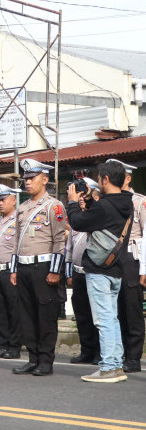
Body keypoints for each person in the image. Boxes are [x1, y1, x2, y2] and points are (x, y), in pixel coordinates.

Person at [67, 160, 133, 383]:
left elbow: (77, 222)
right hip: (115, 268)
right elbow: (101, 217)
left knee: (103, 319)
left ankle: (107, 367)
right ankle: (115, 364)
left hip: (98, 268)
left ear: (105, 179)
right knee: (111, 318)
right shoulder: (126, 203)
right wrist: (88, 201)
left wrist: (73, 203)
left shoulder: (105, 206)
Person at [12, 159, 66, 377]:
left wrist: (55, 271)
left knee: (45, 315)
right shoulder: (23, 208)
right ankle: (33, 358)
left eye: (32, 178)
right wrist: (14, 269)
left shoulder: (54, 206)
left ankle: (46, 360)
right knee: (27, 315)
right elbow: (16, 240)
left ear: (44, 179)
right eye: (25, 179)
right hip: (24, 267)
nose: (27, 182)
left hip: (44, 267)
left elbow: (59, 240)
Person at [107, 159, 145, 374]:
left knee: (132, 309)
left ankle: (133, 357)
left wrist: (144, 269)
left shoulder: (139, 202)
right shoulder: (108, 201)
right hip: (112, 259)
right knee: (115, 309)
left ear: (127, 178)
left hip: (132, 257)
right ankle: (118, 353)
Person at [65, 178, 101, 365]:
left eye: (84, 194)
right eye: (78, 195)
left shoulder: (96, 216)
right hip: (77, 272)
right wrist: (68, 271)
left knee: (96, 314)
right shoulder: (76, 219)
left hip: (94, 273)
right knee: (82, 314)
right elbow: (69, 248)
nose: (80, 199)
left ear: (94, 194)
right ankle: (86, 350)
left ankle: (98, 351)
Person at [0, 184, 22, 360]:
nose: (0, 203)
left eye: (4, 199)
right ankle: (2, 344)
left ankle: (14, 346)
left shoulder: (19, 221)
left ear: (13, 200)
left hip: (10, 271)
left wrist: (15, 270)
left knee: (13, 310)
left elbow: (18, 248)